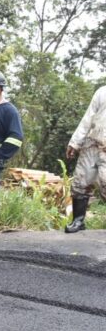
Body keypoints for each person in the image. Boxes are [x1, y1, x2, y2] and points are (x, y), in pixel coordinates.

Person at [64, 85, 106, 233]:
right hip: (92, 144)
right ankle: (78, 220)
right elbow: (88, 117)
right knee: (81, 181)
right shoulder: (102, 92)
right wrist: (75, 143)